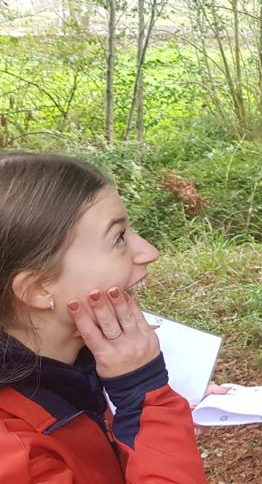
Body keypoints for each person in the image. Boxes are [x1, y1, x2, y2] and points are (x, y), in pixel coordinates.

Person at [0, 153, 207, 483]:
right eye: (119, 238)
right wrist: (147, 400)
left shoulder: (71, 367)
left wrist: (159, 408)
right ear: (38, 288)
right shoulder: (14, 453)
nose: (149, 252)